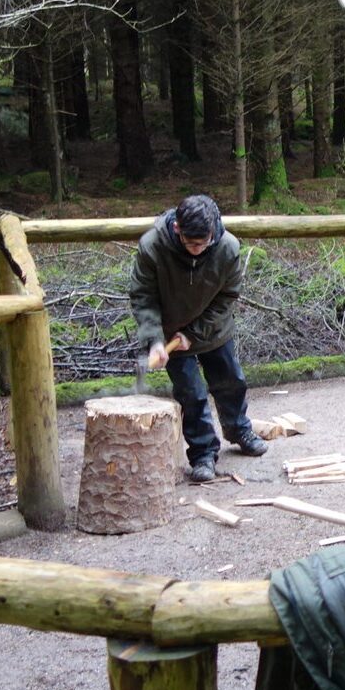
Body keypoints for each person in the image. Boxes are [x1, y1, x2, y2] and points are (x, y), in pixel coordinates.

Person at [129, 194, 267, 483]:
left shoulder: (227, 247)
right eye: (191, 244)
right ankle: (203, 453)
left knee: (230, 381)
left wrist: (193, 334)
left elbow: (227, 297)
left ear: (213, 232)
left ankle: (238, 428)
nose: (197, 250)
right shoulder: (152, 247)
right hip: (170, 332)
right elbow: (143, 298)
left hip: (214, 328)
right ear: (177, 228)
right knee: (192, 394)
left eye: (203, 243)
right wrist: (155, 340)